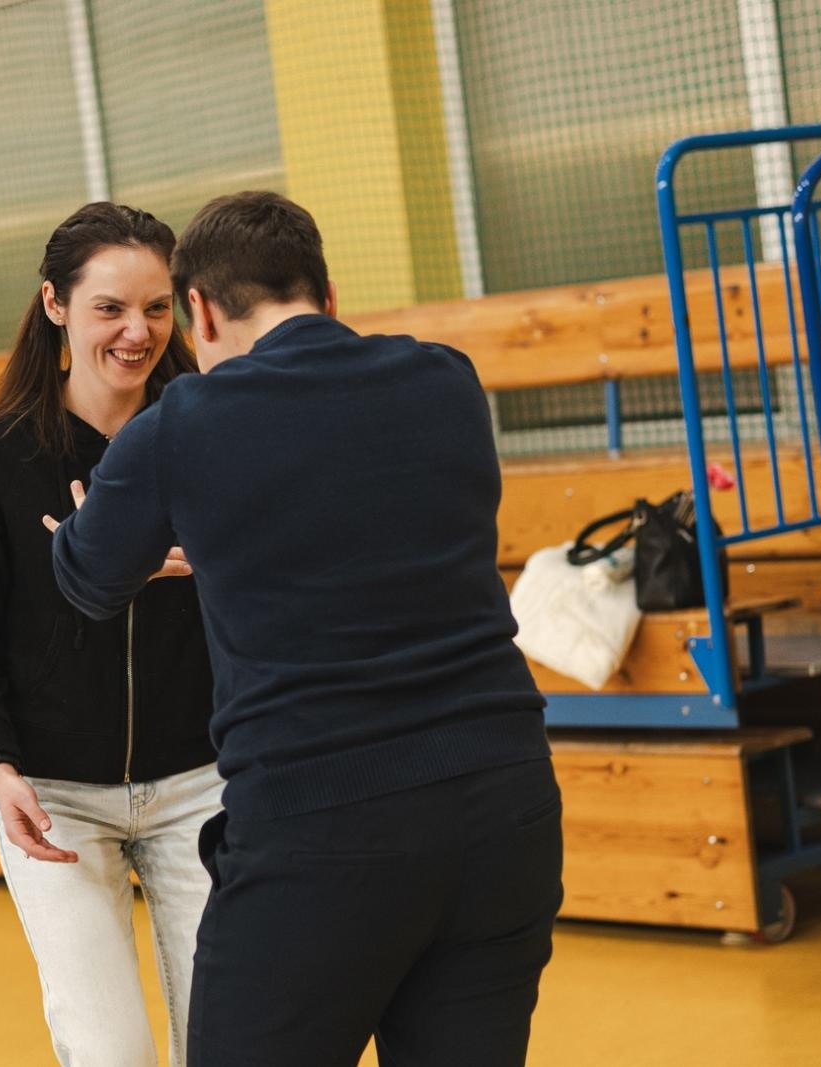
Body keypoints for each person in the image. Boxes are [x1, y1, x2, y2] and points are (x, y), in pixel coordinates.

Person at [49, 191, 563, 1066]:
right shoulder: (447, 380)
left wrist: (99, 525)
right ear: (327, 294)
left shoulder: (180, 426)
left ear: (199, 311)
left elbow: (88, 581)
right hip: (504, 808)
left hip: (322, 827)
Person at [0, 202, 220, 1066]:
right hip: (56, 799)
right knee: (111, 1050)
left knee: (231, 1038)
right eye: (110, 308)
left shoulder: (208, 436)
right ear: (55, 304)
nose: (138, 331)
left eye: (159, 308)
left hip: (205, 785)